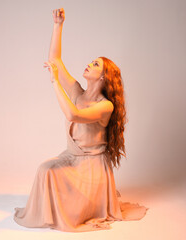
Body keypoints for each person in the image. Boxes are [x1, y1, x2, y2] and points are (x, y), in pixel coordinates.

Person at [13, 8, 149, 232]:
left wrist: (55, 82)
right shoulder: (78, 92)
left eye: (96, 65)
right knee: (44, 170)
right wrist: (58, 25)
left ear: (104, 77)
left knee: (50, 176)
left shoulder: (105, 106)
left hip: (91, 167)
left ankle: (82, 203)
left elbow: (73, 115)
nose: (89, 64)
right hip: (71, 158)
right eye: (91, 61)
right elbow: (54, 60)